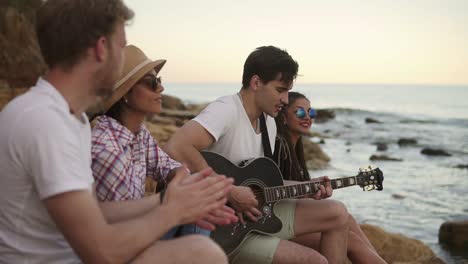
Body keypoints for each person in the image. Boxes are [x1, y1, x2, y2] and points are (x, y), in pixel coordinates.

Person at [0, 1, 231, 263]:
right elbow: (103, 252)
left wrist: (170, 199)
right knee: (203, 253)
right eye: (121, 46)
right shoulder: (46, 123)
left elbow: (96, 212)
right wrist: (173, 210)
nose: (122, 58)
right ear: (101, 49)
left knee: (200, 248)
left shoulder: (71, 120)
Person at [165, 46, 350, 264]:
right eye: (280, 90)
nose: (285, 99)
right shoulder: (226, 109)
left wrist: (309, 187)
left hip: (254, 218)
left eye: (288, 91)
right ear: (256, 83)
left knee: (337, 213)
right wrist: (231, 192)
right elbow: (176, 147)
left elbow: (262, 185)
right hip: (223, 231)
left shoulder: (268, 123)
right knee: (314, 261)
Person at [90, 44, 236, 235]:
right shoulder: (107, 150)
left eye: (158, 80)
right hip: (119, 243)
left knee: (198, 204)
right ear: (126, 93)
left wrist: (182, 178)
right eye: (152, 82)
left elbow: (165, 164)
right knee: (197, 219)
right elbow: (122, 224)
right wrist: (177, 200)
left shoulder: (138, 134)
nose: (161, 87)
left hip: (138, 227)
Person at [274, 91, 387, 264]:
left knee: (347, 218)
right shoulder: (278, 147)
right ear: (283, 116)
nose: (308, 117)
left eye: (311, 112)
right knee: (351, 239)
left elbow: (296, 195)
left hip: (291, 217)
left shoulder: (296, 148)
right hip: (275, 223)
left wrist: (312, 193)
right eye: (300, 112)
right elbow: (274, 192)